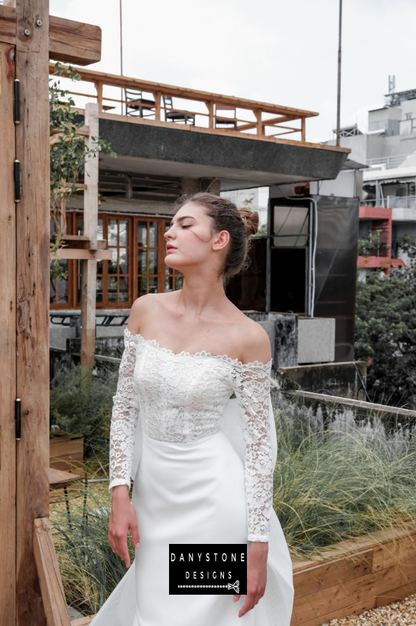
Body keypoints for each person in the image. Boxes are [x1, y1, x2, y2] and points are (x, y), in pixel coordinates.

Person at [90, 193, 294, 626]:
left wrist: (257, 543)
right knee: (154, 615)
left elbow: (261, 449)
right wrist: (119, 493)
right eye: (171, 224)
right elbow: (124, 407)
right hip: (151, 502)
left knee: (201, 620)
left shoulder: (248, 337)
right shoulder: (146, 310)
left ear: (219, 240)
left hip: (214, 504)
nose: (169, 232)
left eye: (185, 225)